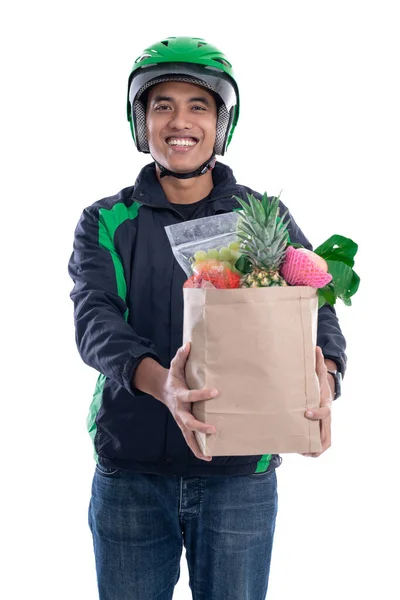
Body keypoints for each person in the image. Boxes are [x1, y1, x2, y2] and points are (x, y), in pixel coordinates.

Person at [68, 36, 347, 600]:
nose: (180, 121)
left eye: (199, 105)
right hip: (131, 468)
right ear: (140, 120)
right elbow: (95, 321)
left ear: (222, 122)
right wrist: (165, 386)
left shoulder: (260, 215)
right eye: (162, 105)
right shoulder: (107, 219)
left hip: (239, 473)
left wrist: (327, 379)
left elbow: (316, 311)